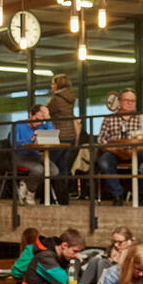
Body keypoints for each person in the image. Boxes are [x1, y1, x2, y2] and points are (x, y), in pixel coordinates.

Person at [95, 88, 143, 205]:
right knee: (104, 162)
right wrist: (111, 148)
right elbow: (101, 139)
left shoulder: (140, 118)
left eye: (133, 101)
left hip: (136, 151)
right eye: (126, 100)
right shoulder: (109, 118)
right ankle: (117, 194)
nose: (130, 103)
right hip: (114, 152)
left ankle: (140, 194)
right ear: (119, 102)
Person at [10, 104, 59, 206]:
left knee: (54, 171)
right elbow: (14, 143)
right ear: (30, 115)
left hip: (35, 155)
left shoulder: (42, 125)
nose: (38, 123)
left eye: (41, 121)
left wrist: (48, 118)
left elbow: (52, 134)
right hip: (21, 156)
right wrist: (31, 139)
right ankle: (31, 193)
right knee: (39, 170)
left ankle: (26, 184)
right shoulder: (18, 125)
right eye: (36, 119)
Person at [46, 73, 77, 204]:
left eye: (53, 83)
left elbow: (46, 113)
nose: (51, 86)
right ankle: (63, 198)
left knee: (49, 166)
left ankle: (48, 197)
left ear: (58, 84)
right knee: (62, 168)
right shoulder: (70, 98)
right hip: (70, 135)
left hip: (58, 136)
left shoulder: (57, 99)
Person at [19, 227, 85, 284]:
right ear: (64, 245)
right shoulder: (44, 257)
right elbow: (68, 283)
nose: (76, 255)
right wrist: (75, 262)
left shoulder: (61, 258)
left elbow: (80, 281)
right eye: (75, 251)